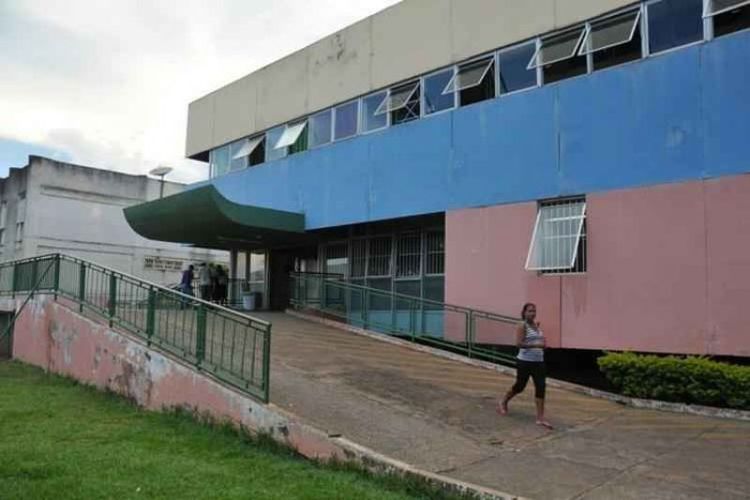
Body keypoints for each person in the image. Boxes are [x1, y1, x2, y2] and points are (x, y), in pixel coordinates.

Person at [497, 303, 553, 430]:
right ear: (524, 312)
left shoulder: (537, 326)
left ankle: (540, 418)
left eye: (534, 311)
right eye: (529, 311)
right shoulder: (522, 325)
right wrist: (536, 346)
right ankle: (504, 401)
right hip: (525, 361)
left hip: (539, 361)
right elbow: (519, 344)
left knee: (541, 386)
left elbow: (538, 340)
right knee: (520, 386)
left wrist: (543, 344)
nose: (532, 313)